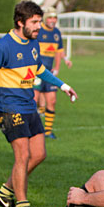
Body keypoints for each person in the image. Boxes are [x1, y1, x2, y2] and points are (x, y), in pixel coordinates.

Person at [0, 1, 78, 207]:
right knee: (23, 156)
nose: (39, 26)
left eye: (40, 21)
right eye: (35, 22)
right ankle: (22, 206)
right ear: (20, 22)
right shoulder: (2, 47)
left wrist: (63, 86)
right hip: (9, 108)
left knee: (39, 154)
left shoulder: (32, 42)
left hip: (29, 106)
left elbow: (39, 69)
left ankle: (4, 194)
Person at [33, 7, 73, 139]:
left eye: (54, 18)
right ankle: (34, 130)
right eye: (50, 18)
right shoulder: (38, 31)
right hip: (36, 72)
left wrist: (60, 64)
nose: (52, 20)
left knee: (52, 100)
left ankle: (48, 132)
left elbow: (58, 51)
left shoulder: (56, 33)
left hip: (49, 73)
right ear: (45, 19)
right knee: (34, 100)